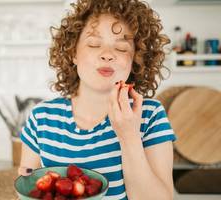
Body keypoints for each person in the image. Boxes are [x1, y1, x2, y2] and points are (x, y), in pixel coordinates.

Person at [18, 0, 176, 199]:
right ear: (73, 53)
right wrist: (26, 181)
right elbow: (27, 187)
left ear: (136, 59)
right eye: (94, 44)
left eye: (121, 48)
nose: (107, 55)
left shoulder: (150, 116)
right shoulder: (42, 118)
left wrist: (129, 136)